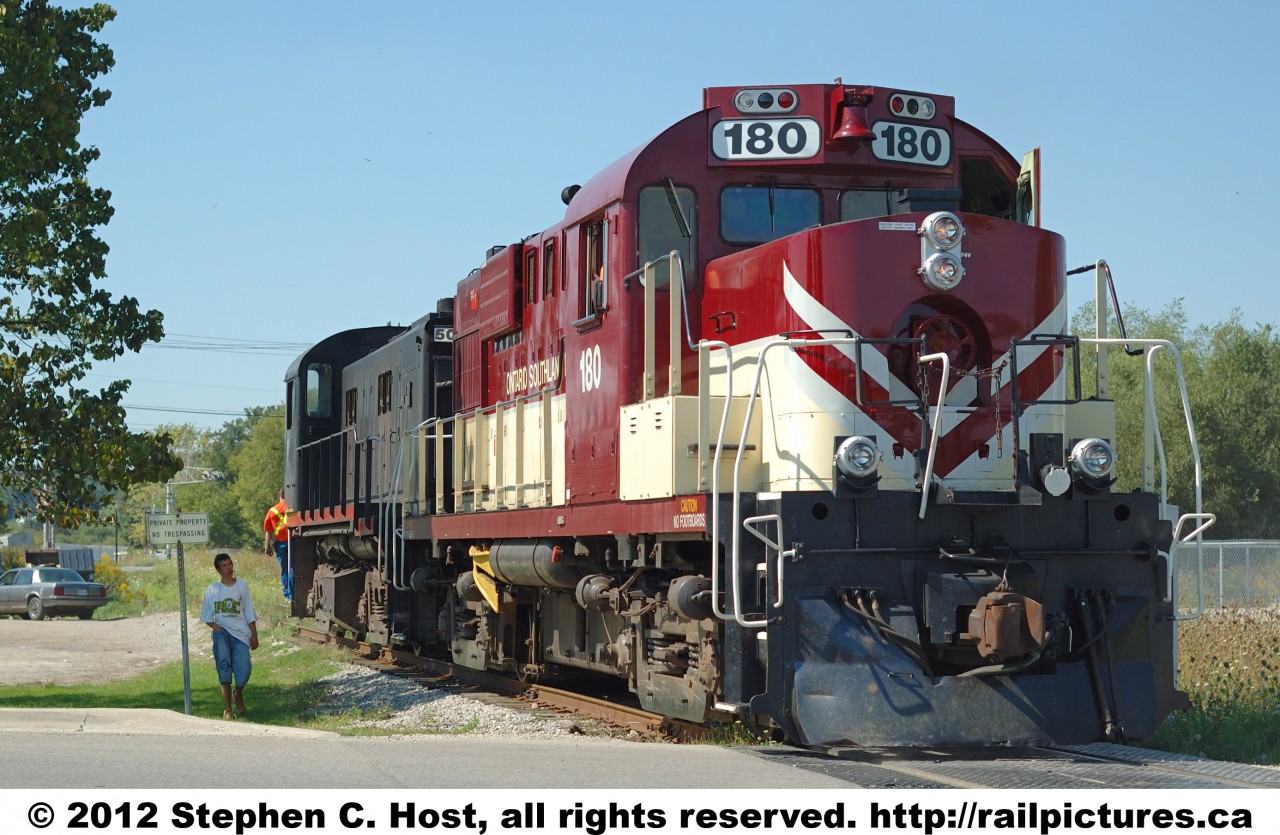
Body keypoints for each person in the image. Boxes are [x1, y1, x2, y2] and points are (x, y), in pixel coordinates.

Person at [199, 552, 258, 720]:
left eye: (230, 564)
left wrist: (254, 635)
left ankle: (238, 692)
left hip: (240, 635)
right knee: (224, 670)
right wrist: (215, 627)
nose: (228, 568)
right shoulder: (212, 590)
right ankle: (227, 709)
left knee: (244, 670)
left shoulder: (242, 586)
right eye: (224, 565)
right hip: (222, 634)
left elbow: (249, 611)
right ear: (218, 570)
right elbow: (206, 615)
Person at [263, 489, 292, 600]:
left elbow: (269, 531)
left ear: (280, 495)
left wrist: (267, 546)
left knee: (284, 569)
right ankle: (293, 594)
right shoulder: (292, 508)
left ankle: (287, 595)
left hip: (280, 544)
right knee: (292, 568)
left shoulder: (272, 510)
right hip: (292, 542)